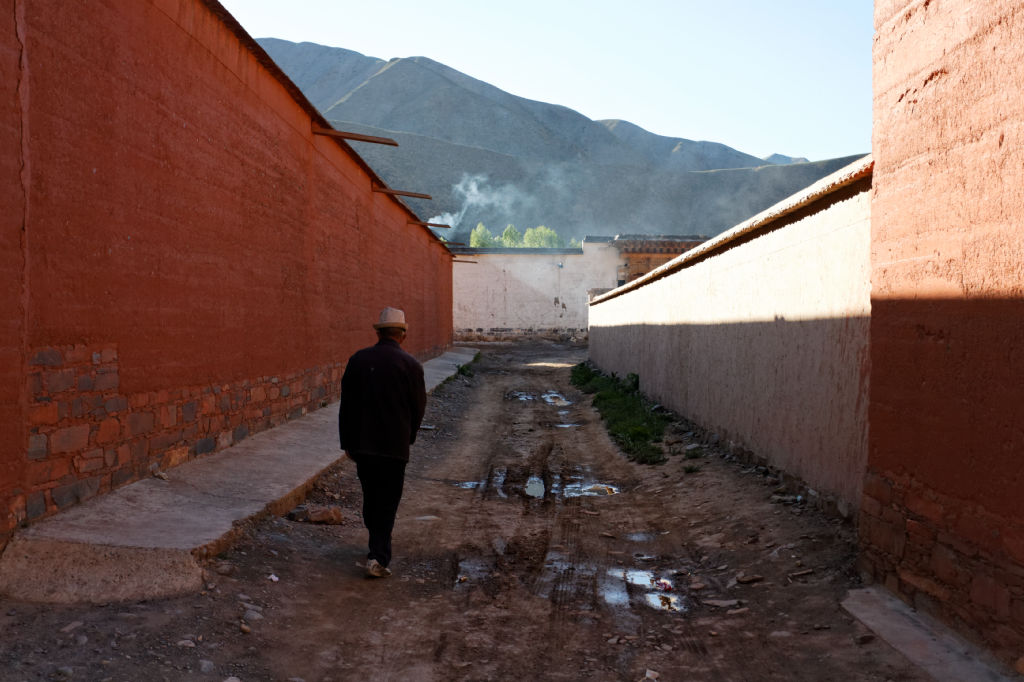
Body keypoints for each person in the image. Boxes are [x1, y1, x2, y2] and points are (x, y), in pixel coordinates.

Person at [338, 307, 426, 578]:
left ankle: (376, 546)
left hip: (364, 446)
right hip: (393, 447)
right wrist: (408, 437)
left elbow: (347, 405)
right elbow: (418, 407)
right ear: (403, 335)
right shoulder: (410, 365)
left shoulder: (358, 360)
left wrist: (348, 443)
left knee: (371, 495)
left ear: (378, 332)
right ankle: (378, 555)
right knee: (388, 500)